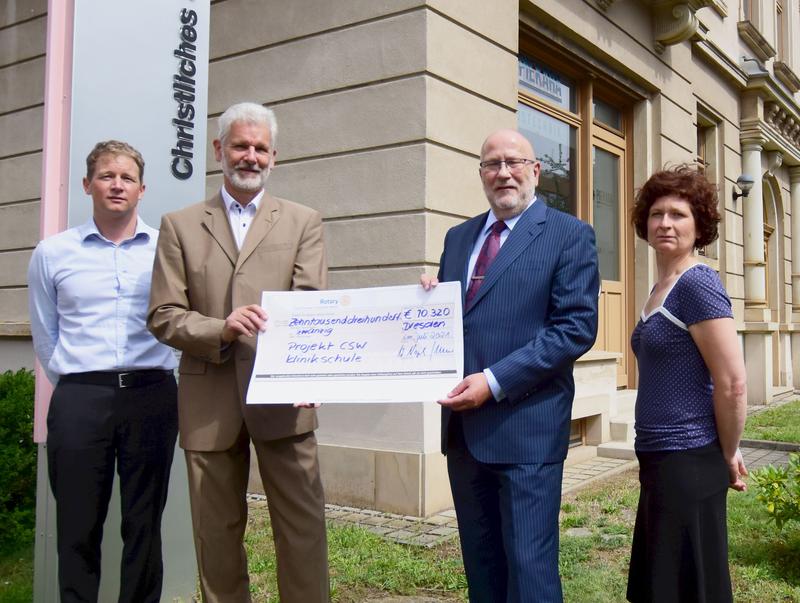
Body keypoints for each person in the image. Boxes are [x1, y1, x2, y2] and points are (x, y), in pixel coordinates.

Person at [147, 101, 328, 602]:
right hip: (209, 402)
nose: (250, 156)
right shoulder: (180, 225)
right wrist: (219, 329)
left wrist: (313, 375)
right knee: (216, 535)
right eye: (240, 145)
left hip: (285, 399)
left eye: (260, 148)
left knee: (303, 530)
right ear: (218, 150)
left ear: (274, 156)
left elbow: (313, 310)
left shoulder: (303, 221)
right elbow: (163, 314)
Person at [421, 129, 600, 602]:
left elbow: (574, 328)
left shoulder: (569, 235)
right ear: (480, 174)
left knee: (529, 570)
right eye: (491, 164)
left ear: (536, 171)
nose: (503, 172)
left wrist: (495, 382)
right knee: (481, 568)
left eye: (514, 162)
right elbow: (457, 319)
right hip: (464, 433)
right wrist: (425, 300)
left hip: (527, 429)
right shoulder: (458, 239)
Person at [27, 140, 178, 603]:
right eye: (107, 176)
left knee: (144, 525)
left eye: (127, 178)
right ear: (87, 184)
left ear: (142, 189)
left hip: (151, 395)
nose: (117, 185)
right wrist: (77, 383)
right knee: (77, 524)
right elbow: (45, 332)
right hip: (79, 400)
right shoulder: (53, 253)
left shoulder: (167, 250)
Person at [625, 165, 748, 603]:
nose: (664, 223)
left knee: (689, 585)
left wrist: (729, 452)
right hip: (660, 458)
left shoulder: (698, 283)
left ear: (699, 226)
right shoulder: (663, 286)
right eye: (657, 213)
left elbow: (732, 381)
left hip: (690, 458)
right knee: (664, 581)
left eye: (678, 214)